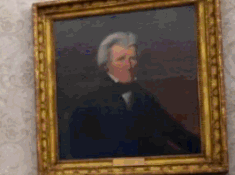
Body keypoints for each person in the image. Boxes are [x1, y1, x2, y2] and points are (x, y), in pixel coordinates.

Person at [67, 31, 201, 160]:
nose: (129, 65)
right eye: (121, 59)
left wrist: (206, 151)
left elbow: (174, 132)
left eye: (133, 58)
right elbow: (79, 151)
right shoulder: (88, 102)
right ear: (106, 65)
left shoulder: (143, 96)